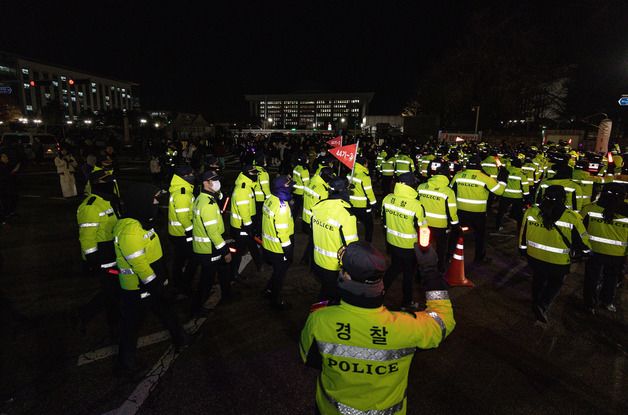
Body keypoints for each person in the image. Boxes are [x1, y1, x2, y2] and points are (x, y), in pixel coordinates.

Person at [299, 242, 455, 415]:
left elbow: (310, 359)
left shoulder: (320, 320)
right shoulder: (406, 327)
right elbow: (444, 320)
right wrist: (430, 270)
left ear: (346, 277)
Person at [113, 182, 188, 376]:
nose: (156, 203)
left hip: (154, 282)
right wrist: (156, 284)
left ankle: (181, 339)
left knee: (167, 312)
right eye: (153, 199)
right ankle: (125, 364)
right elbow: (140, 265)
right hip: (138, 288)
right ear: (141, 201)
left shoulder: (143, 222)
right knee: (131, 325)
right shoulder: (130, 230)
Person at [519, 185, 591, 323]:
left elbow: (523, 233)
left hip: (534, 256)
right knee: (555, 283)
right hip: (558, 261)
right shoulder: (571, 217)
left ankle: (535, 301)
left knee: (538, 278)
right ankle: (542, 304)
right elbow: (582, 240)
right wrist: (587, 252)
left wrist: (522, 249)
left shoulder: (531, 212)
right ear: (563, 198)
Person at [76, 168, 121, 339]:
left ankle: (87, 314)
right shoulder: (91, 206)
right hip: (102, 255)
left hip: (112, 251)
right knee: (112, 289)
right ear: (96, 184)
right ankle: (112, 324)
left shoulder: (108, 201)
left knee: (112, 289)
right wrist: (92, 259)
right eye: (105, 181)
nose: (110, 184)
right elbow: (87, 238)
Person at [382, 172, 427, 310]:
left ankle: (377, 294)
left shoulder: (387, 199)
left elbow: (384, 223)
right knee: (408, 274)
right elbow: (423, 230)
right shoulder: (416, 205)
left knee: (394, 268)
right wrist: (424, 248)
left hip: (392, 242)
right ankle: (406, 302)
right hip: (409, 247)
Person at [191, 170, 233, 316]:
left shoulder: (204, 198)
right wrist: (225, 251)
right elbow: (213, 233)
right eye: (213, 180)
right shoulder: (207, 204)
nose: (217, 183)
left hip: (208, 247)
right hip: (208, 248)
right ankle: (197, 308)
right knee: (206, 280)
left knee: (223, 270)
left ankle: (227, 294)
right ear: (205, 183)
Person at [450, 155, 507, 263]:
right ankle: (478, 258)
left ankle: (449, 255)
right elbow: (500, 191)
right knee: (479, 236)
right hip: (478, 212)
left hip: (460, 210)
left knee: (455, 234)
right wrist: (503, 178)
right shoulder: (485, 178)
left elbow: (451, 190)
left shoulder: (458, 176)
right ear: (479, 165)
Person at [581, 183, 627, 314]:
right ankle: (606, 302)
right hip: (617, 254)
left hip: (593, 251)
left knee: (591, 278)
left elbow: (580, 229)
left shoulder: (589, 209)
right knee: (611, 279)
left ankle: (589, 304)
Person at [311, 177, 358, 301]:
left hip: (318, 260)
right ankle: (317, 318)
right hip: (335, 266)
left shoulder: (318, 207)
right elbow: (352, 247)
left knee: (325, 291)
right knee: (334, 298)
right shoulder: (346, 215)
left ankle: (317, 315)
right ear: (343, 191)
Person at [418, 160, 459, 273]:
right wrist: (455, 226)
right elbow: (452, 212)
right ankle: (440, 268)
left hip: (423, 224)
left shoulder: (421, 187)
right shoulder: (448, 192)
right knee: (441, 248)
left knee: (423, 247)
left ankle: (420, 270)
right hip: (440, 226)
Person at [262, 176, 295, 310]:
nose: (292, 187)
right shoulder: (282, 207)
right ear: (283, 188)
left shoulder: (270, 199)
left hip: (268, 245)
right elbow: (282, 233)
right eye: (289, 185)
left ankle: (268, 290)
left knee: (277, 272)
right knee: (280, 275)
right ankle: (274, 301)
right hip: (278, 248)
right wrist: (288, 251)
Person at [167, 165, 197, 297]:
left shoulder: (181, 189)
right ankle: (183, 285)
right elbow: (183, 216)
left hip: (177, 232)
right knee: (193, 258)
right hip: (182, 233)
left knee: (179, 259)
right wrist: (191, 231)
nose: (193, 175)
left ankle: (178, 283)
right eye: (190, 174)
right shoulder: (183, 192)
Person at [230, 164, 263, 277]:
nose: (256, 175)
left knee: (252, 245)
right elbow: (244, 210)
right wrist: (249, 226)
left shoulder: (248, 186)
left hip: (246, 224)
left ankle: (259, 264)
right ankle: (233, 273)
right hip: (242, 226)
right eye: (254, 173)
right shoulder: (243, 189)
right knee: (239, 250)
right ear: (247, 174)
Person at [301, 166, 334, 265]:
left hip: (306, 217)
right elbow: (324, 208)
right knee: (315, 242)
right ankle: (310, 262)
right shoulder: (322, 189)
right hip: (314, 220)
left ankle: (306, 260)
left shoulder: (311, 182)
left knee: (312, 240)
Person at [495, 157, 529, 232]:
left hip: (505, 195)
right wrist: (527, 198)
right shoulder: (521, 174)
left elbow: (500, 180)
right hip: (517, 197)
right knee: (519, 215)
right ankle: (520, 229)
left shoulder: (506, 171)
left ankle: (497, 226)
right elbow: (525, 187)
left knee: (501, 212)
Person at [348, 156, 377, 242]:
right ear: (363, 164)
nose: (367, 165)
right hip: (362, 206)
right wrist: (374, 204)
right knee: (369, 225)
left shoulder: (350, 173)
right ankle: (368, 244)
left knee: (352, 224)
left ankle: (352, 240)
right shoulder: (365, 177)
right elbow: (369, 192)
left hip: (351, 204)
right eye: (366, 163)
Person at [292, 154, 310, 219]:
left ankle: (293, 218)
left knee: (296, 207)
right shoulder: (304, 170)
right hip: (302, 192)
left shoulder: (296, 167)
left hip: (295, 190)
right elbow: (306, 184)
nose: (308, 160)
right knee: (304, 207)